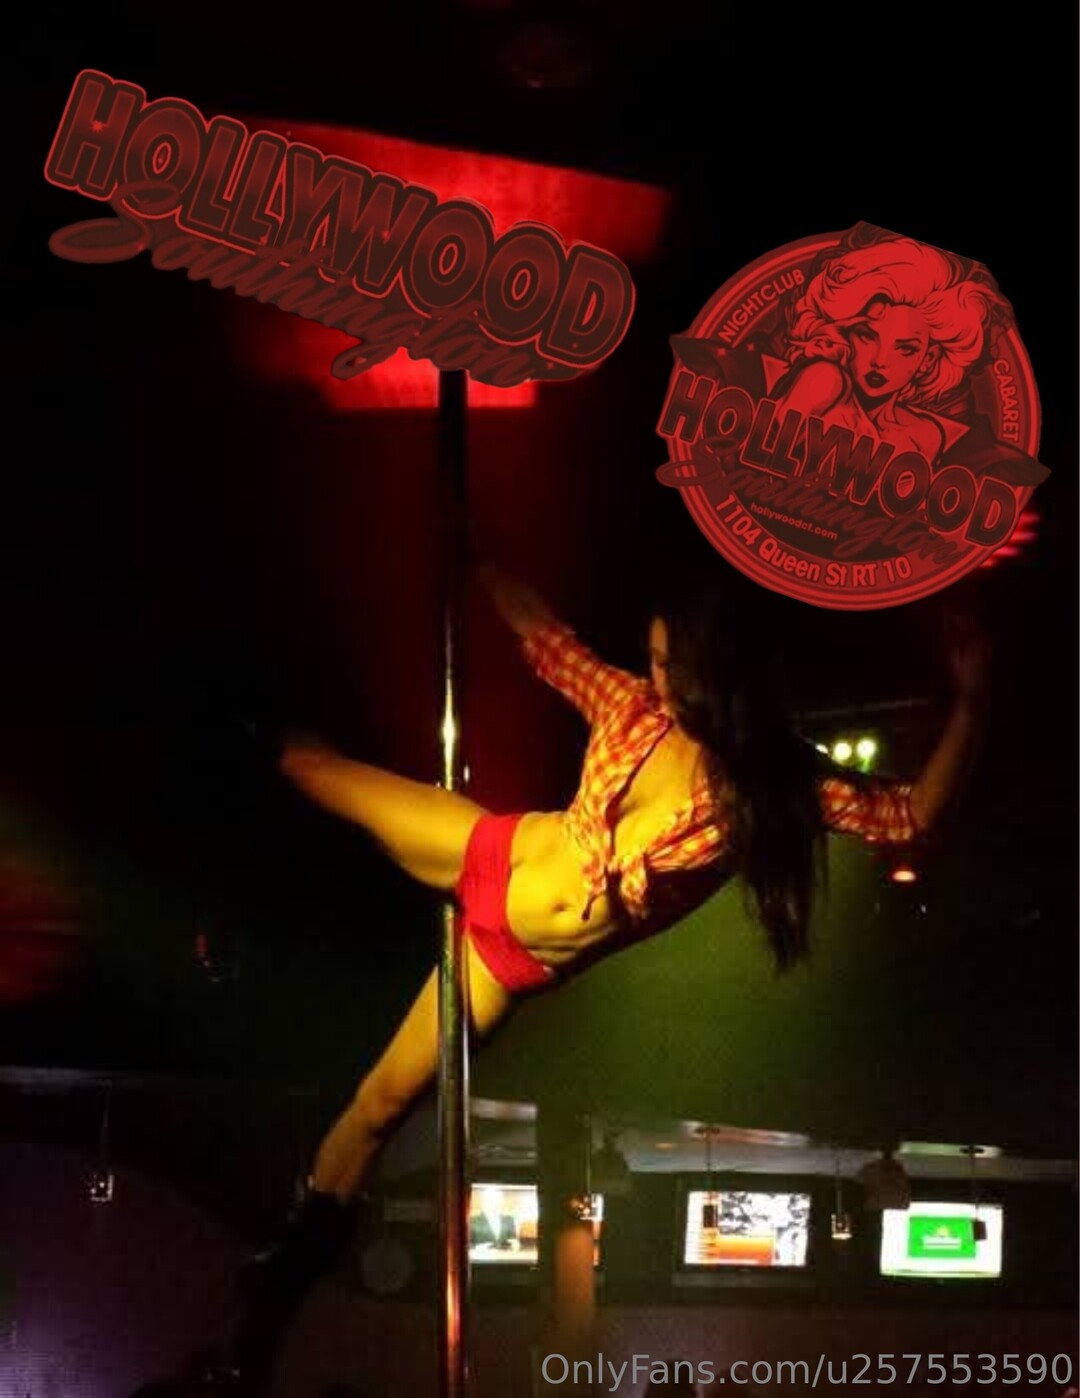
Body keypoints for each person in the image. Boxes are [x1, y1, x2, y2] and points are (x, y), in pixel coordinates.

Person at [211, 561, 988, 1391]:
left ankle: (269, 1303)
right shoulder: (631, 707)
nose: (658, 678)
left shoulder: (769, 787)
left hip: (509, 961)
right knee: (313, 771)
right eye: (652, 659)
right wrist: (475, 555)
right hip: (492, 852)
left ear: (716, 669)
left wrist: (973, 702)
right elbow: (543, 636)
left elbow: (908, 815)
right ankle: (206, 685)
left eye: (672, 665)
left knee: (379, 1104)